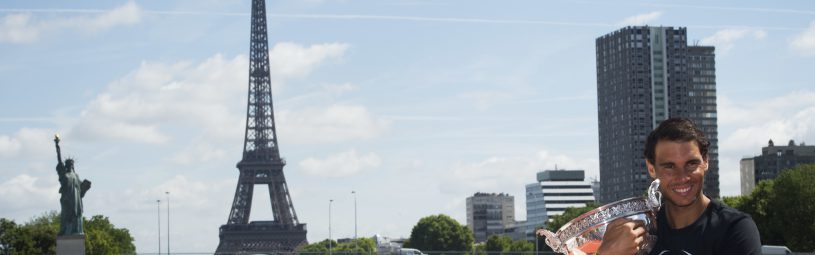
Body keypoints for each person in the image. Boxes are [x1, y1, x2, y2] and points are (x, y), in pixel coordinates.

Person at [597, 118, 761, 255]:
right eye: (669, 166)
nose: (682, 177)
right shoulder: (639, 234)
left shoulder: (734, 229)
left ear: (706, 162)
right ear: (651, 168)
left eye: (691, 164)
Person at [55, 136, 91, 236]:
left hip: (76, 200)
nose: (71, 165)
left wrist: (86, 187)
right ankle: (65, 231)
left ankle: (76, 231)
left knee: (77, 215)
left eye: (72, 164)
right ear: (66, 165)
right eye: (69, 163)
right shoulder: (63, 174)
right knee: (65, 216)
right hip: (67, 199)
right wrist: (57, 145)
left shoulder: (76, 176)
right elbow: (59, 159)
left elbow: (81, 190)